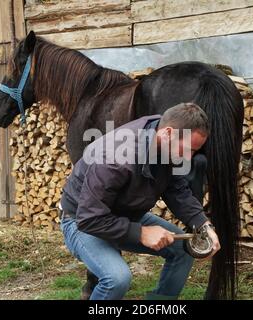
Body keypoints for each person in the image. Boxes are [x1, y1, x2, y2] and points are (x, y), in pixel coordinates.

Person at [59, 102, 220, 300]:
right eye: (188, 149)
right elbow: (89, 218)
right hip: (80, 220)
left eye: (194, 151)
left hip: (123, 215)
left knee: (183, 251)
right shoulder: (115, 157)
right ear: (168, 133)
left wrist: (203, 224)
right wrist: (140, 232)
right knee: (117, 279)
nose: (189, 157)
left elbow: (176, 190)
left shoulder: (164, 140)